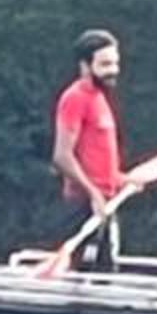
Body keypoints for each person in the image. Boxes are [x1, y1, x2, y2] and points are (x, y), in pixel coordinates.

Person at [51, 29, 126, 272]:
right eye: (105, 64)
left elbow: (98, 160)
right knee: (77, 276)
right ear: (85, 66)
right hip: (82, 205)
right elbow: (62, 156)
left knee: (106, 274)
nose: (113, 70)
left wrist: (123, 179)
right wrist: (93, 193)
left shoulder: (100, 98)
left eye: (115, 63)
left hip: (105, 204)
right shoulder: (75, 98)